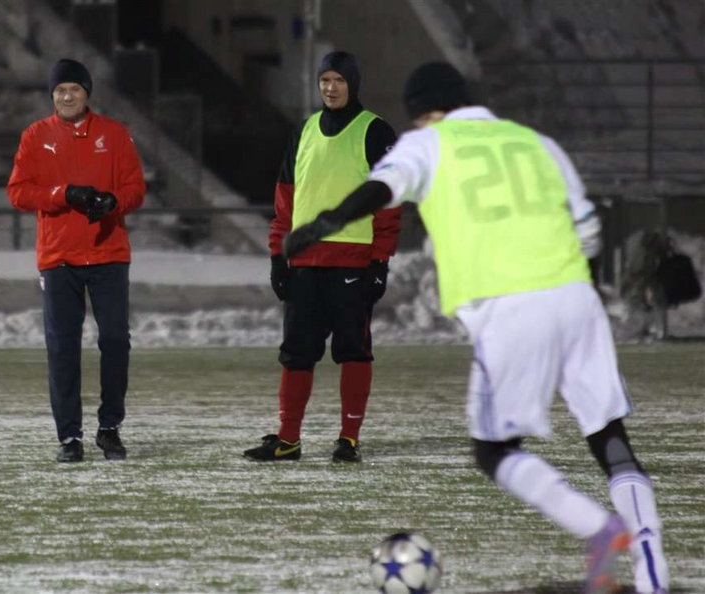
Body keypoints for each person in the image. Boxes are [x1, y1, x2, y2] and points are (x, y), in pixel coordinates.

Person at [284, 62, 669, 593]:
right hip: (575, 298)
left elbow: (379, 189)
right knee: (610, 440)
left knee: (495, 450)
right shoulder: (534, 142)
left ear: (423, 111)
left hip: (508, 306)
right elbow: (589, 232)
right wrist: (581, 296)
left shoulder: (430, 142)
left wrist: (327, 222)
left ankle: (598, 530)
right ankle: (654, 578)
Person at [243, 51, 401, 463]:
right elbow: (285, 201)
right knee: (296, 353)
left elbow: (389, 201)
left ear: (353, 84)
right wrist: (279, 256)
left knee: (353, 351)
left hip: (353, 264)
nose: (330, 88)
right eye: (325, 80)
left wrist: (380, 260)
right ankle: (288, 439)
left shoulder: (376, 131)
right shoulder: (304, 131)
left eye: (338, 80)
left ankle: (348, 439)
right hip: (304, 264)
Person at [7, 58, 146, 463]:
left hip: (108, 255)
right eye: (60, 90)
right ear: (52, 95)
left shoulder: (115, 134)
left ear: (87, 93)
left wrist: (112, 202)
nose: (67, 96)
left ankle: (109, 428)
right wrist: (64, 194)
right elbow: (18, 192)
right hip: (59, 257)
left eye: (74, 89)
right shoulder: (35, 136)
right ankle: (69, 437)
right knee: (63, 348)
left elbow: (136, 188)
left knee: (116, 341)